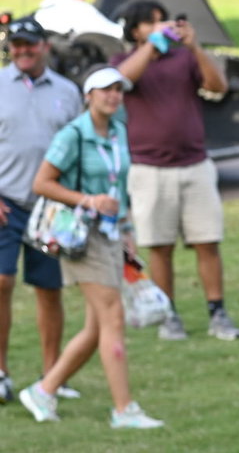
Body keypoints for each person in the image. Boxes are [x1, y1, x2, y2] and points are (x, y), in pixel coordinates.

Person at [18, 68, 163, 430]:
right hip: (82, 238)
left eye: (118, 89)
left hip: (112, 236)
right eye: (105, 90)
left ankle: (44, 389)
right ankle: (123, 409)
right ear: (88, 95)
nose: (113, 96)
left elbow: (119, 188)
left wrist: (127, 232)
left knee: (98, 326)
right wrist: (89, 200)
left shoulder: (117, 132)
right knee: (112, 318)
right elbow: (42, 183)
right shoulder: (73, 135)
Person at [110, 1, 239, 342]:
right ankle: (169, 315)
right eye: (151, 23)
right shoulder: (123, 62)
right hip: (149, 169)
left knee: (207, 241)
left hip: (194, 164)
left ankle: (218, 313)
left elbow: (218, 86)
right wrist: (151, 49)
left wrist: (195, 46)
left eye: (163, 21)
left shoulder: (184, 57)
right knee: (160, 246)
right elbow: (122, 81)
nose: (161, 26)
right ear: (136, 30)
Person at [0, 16, 82, 406]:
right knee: (1, 284)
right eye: (16, 45)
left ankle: (52, 374)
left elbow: (78, 148)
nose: (22, 51)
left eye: (29, 44)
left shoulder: (67, 92)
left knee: (49, 290)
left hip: (51, 208)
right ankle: (0, 372)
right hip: (5, 203)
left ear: (44, 46)